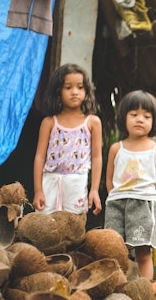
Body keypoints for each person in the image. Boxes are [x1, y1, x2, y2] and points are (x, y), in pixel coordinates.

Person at [104, 90, 156, 280]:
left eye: (146, 116)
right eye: (134, 115)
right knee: (115, 250)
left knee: (143, 251)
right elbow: (109, 178)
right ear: (123, 118)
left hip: (142, 204)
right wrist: (114, 197)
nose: (140, 119)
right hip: (116, 204)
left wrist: (150, 198)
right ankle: (115, 287)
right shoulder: (117, 148)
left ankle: (146, 291)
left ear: (154, 121)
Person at [33, 63, 103, 216]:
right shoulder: (49, 122)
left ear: (86, 90)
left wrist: (94, 190)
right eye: (68, 87)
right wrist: (38, 190)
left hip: (77, 182)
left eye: (80, 87)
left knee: (74, 226)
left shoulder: (92, 122)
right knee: (44, 225)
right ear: (58, 91)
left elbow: (97, 157)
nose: (74, 92)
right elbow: (39, 157)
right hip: (49, 181)